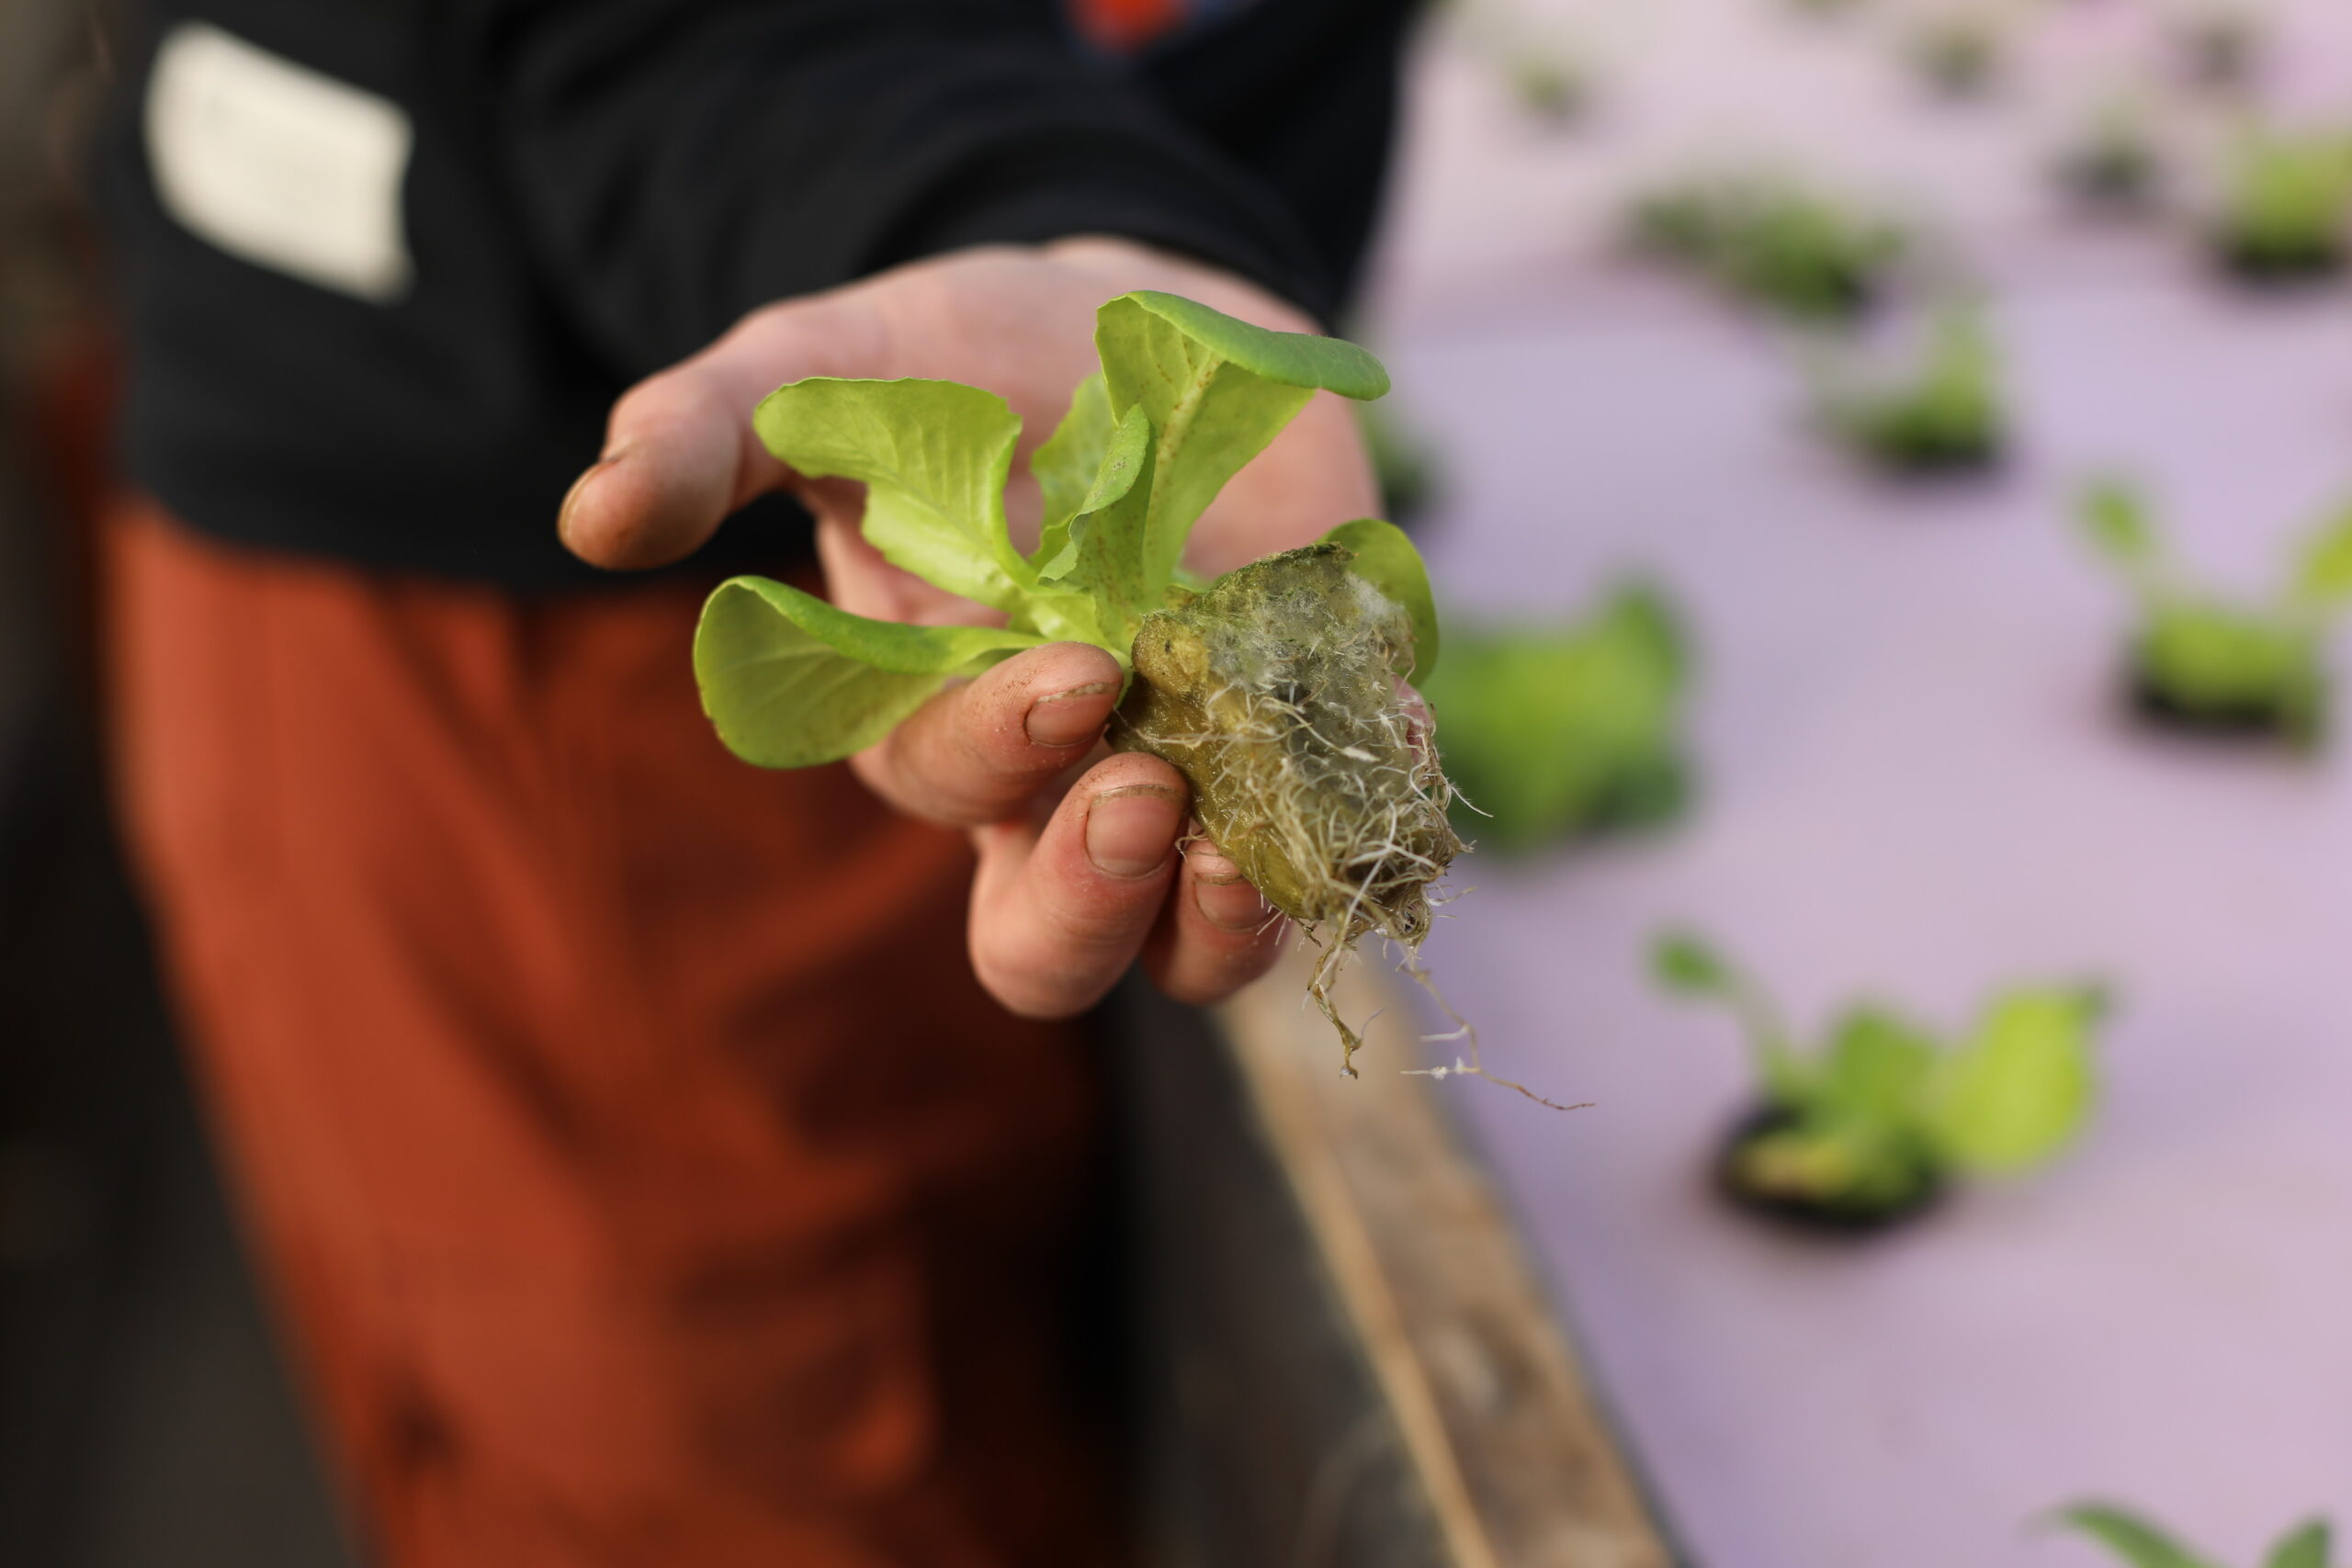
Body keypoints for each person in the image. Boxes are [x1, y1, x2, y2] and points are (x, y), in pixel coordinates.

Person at [91, 0, 1418, 1562]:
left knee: (1002, 1340)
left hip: (978, 360)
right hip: (532, 645)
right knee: (752, 1440)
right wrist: (1001, 204)